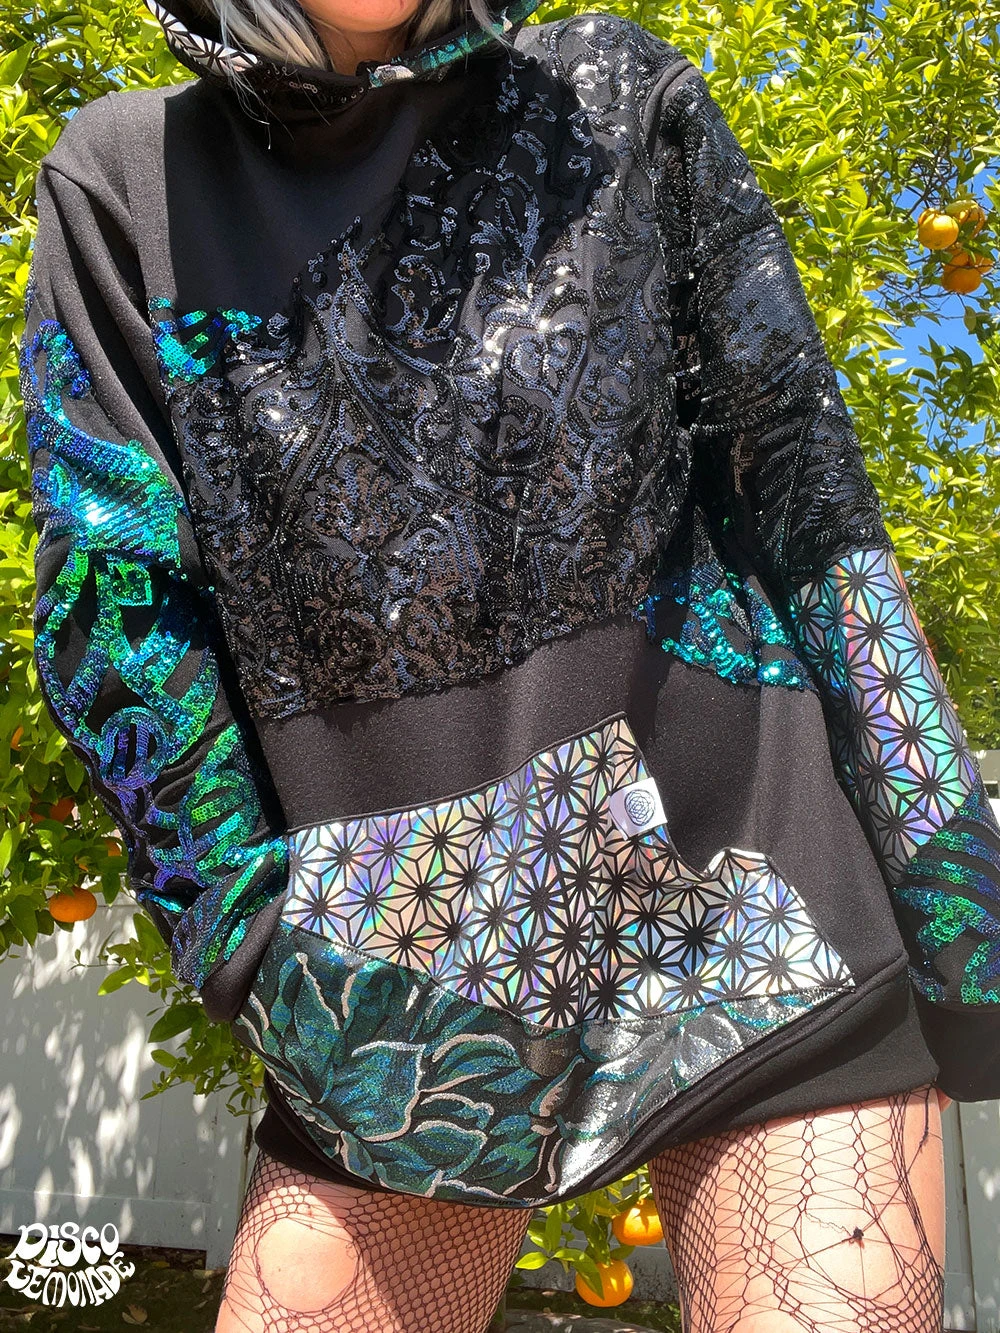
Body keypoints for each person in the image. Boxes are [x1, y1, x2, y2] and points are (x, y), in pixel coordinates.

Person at [17, 0, 1000, 1328]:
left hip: (768, 935)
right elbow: (118, 613)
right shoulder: (124, 181)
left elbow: (807, 501)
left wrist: (963, 923)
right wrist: (265, 964)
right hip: (390, 1009)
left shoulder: (614, 95)